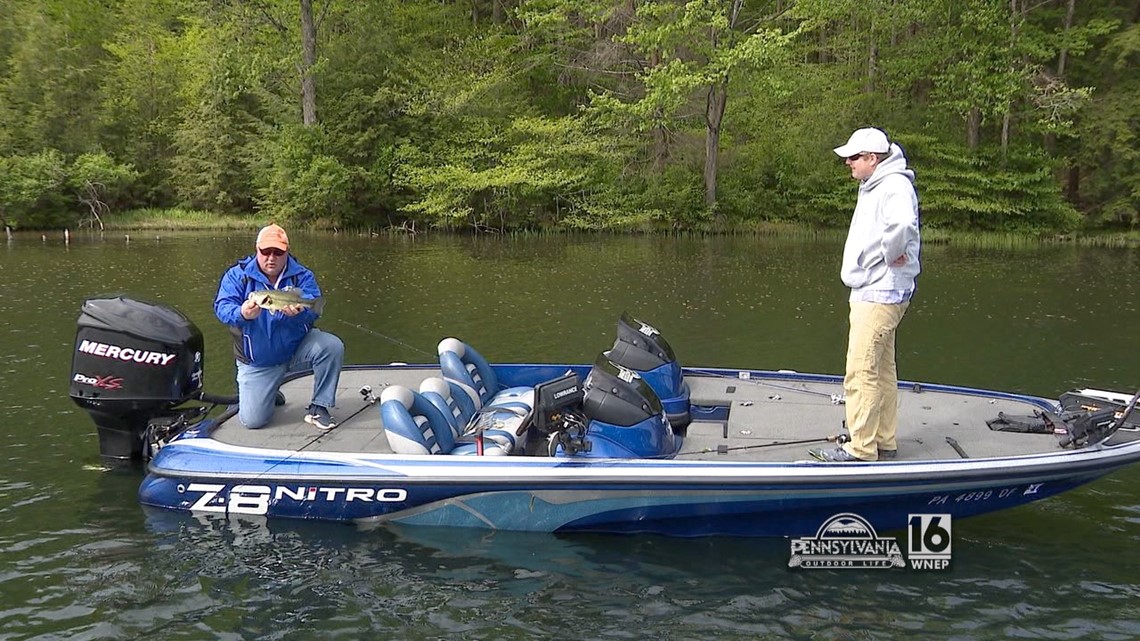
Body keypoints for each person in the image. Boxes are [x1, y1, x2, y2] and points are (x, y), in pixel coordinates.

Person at [813, 127, 921, 462]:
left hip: (880, 292)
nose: (848, 163)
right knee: (882, 369)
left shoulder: (893, 185)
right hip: (876, 289)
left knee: (860, 371)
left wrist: (890, 254)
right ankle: (883, 440)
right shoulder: (875, 184)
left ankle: (860, 449)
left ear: (872, 158)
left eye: (854, 158)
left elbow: (902, 226)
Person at [214, 223, 344, 430]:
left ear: (286, 252)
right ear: (257, 250)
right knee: (252, 421)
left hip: (295, 351)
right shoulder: (237, 275)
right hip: (259, 361)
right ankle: (270, 392)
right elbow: (222, 308)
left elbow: (312, 305)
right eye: (266, 251)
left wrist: (301, 313)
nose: (271, 257)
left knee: (331, 346)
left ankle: (320, 407)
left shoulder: (302, 275)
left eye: (278, 252)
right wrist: (242, 313)